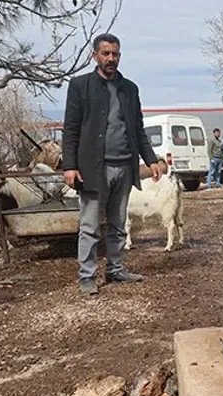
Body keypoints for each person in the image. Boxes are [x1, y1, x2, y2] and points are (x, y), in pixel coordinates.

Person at [62, 33, 161, 296]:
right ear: (95, 55)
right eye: (105, 53)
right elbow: (70, 129)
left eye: (115, 54)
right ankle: (87, 276)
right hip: (94, 170)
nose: (111, 59)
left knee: (118, 223)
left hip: (124, 167)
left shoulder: (130, 89)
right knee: (90, 226)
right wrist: (69, 166)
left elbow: (138, 130)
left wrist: (151, 160)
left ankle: (116, 269)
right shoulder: (80, 86)